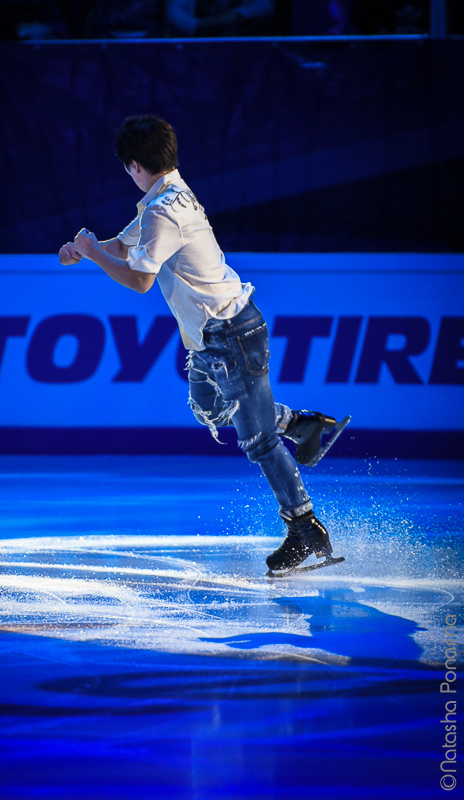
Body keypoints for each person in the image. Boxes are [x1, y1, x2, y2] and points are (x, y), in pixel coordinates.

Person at [58, 115, 349, 576]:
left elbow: (139, 279)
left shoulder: (163, 209)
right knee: (208, 406)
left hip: (230, 332)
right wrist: (88, 247)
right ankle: (302, 424)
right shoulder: (164, 195)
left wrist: (93, 254)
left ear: (134, 165)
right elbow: (125, 245)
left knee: (257, 439)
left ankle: (304, 527)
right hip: (210, 338)